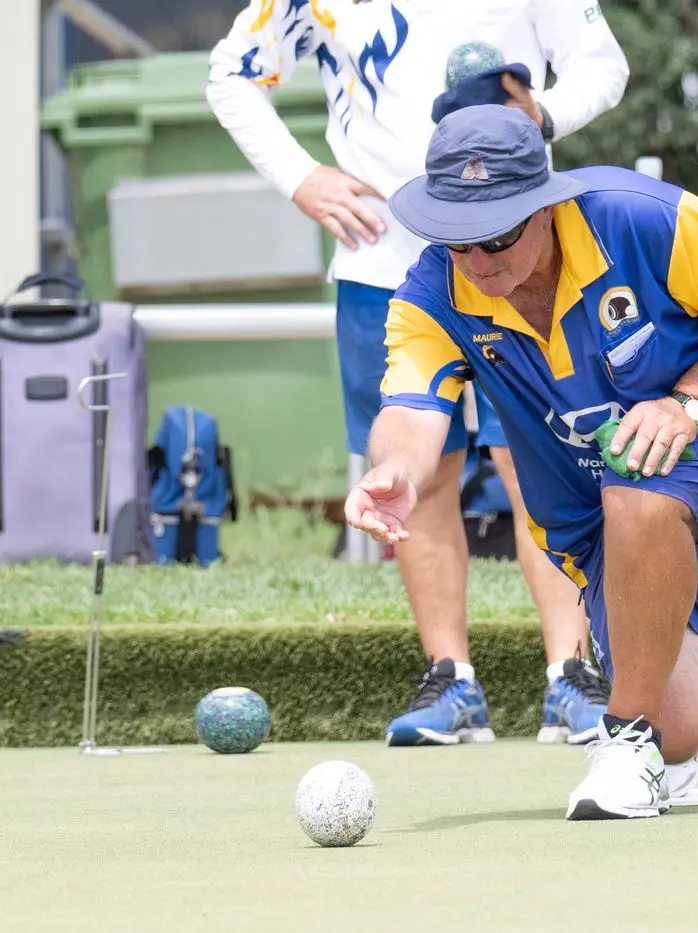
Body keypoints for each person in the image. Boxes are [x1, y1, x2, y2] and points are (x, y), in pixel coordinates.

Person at [344, 105, 698, 820]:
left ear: (542, 207)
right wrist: (397, 472)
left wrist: (685, 404)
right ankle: (671, 671)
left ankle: (622, 739)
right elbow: (409, 411)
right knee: (678, 729)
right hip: (587, 503)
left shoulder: (639, 216)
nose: (477, 261)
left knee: (637, 486)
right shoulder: (432, 293)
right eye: (457, 240)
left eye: (495, 234)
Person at [205, 1, 630, 747]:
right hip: (383, 262)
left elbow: (604, 66)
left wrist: (545, 116)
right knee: (416, 474)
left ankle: (573, 673)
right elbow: (231, 75)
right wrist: (300, 177)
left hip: (520, 258)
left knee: (542, 466)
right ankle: (450, 679)